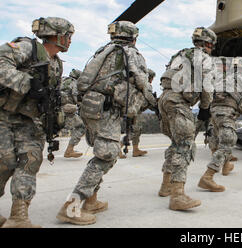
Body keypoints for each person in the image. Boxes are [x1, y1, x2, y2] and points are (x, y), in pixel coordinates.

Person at [56, 21, 157, 225]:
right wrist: (154, 102)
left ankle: (91, 201)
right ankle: (72, 206)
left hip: (91, 107)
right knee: (107, 154)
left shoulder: (103, 51)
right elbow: (141, 80)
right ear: (134, 37)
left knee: (101, 152)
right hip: (107, 110)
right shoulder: (131, 53)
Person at [0, 17, 74, 228]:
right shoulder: (27, 48)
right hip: (4, 115)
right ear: (57, 36)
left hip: (30, 121)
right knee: (4, 163)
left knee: (30, 161)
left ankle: (19, 217)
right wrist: (28, 83)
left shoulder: (56, 63)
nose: (69, 41)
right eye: (68, 37)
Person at [157, 27, 215, 210]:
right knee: (185, 145)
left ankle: (166, 186)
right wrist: (205, 108)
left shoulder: (179, 55)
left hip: (164, 99)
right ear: (207, 44)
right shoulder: (204, 58)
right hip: (179, 102)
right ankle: (178, 195)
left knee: (175, 143)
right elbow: (207, 85)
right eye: (211, 46)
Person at [198, 57, 242, 192]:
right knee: (228, 142)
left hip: (213, 113)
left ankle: (226, 166)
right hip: (226, 114)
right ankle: (207, 177)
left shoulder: (222, 79)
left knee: (216, 139)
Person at [129, 68, 157, 157]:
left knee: (137, 130)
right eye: (152, 78)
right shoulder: (147, 85)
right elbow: (149, 96)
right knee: (135, 130)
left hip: (134, 109)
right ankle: (120, 147)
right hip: (136, 110)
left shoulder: (137, 85)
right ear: (150, 77)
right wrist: (156, 104)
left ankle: (135, 150)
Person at [60, 68, 86, 158]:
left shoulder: (62, 80)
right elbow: (77, 98)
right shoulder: (73, 83)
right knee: (81, 127)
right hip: (67, 112)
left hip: (55, 110)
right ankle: (69, 150)